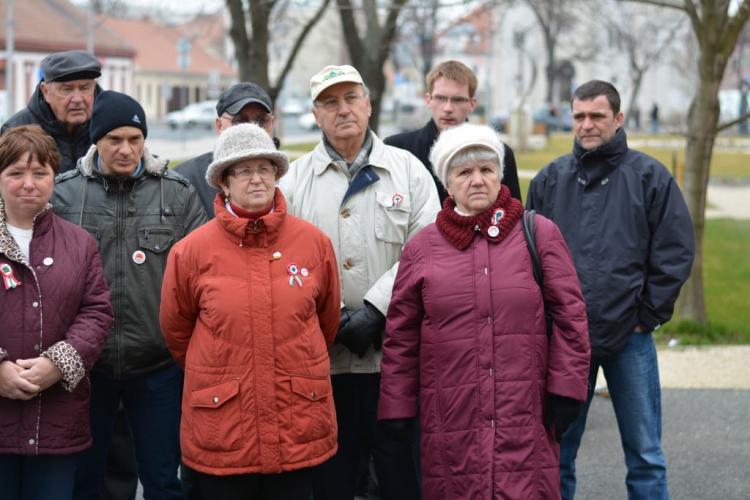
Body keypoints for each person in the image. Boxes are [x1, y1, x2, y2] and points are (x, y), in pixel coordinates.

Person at [377, 123, 590, 499]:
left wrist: (567, 388)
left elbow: (571, 316)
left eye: (487, 170)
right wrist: (397, 404)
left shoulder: (539, 234)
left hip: (526, 415)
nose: (477, 180)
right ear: (447, 181)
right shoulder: (422, 248)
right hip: (451, 417)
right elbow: (401, 337)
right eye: (464, 172)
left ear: (500, 174)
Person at [526, 80, 695, 500]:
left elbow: (674, 250)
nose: (587, 124)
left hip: (630, 341)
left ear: (618, 119)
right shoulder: (549, 180)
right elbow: (526, 256)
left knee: (645, 455)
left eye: (597, 116)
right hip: (567, 342)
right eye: (579, 116)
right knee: (557, 454)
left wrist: (647, 317)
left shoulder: (649, 176)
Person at [279, 64, 440, 500]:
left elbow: (426, 250)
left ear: (369, 105)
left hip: (396, 362)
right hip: (323, 365)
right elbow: (284, 264)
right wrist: (332, 317)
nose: (343, 109)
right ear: (315, 114)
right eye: (330, 102)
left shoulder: (409, 172)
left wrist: (376, 310)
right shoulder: (291, 182)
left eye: (351, 98)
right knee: (331, 482)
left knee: (400, 479)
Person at [159, 123, 341, 499]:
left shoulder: (314, 243)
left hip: (296, 421)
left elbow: (326, 324)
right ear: (224, 182)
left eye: (265, 168)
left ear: (277, 175)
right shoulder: (191, 252)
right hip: (223, 426)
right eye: (243, 170)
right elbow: (177, 334)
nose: (256, 179)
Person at [50, 90, 208, 500]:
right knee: (83, 480)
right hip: (86, 368)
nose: (125, 149)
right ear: (96, 140)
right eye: (114, 139)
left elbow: (201, 277)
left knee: (162, 480)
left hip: (157, 366)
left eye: (134, 139)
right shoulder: (64, 195)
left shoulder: (176, 194)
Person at [0, 125, 114, 500]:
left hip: (56, 416)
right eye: (16, 172)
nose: (28, 184)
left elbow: (97, 312)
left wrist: (59, 362)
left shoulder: (78, 243)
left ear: (55, 175)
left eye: (40, 172)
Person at [385, 60, 521, 203]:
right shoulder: (397, 149)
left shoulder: (498, 153)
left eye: (457, 99)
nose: (448, 108)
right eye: (441, 98)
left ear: (472, 104)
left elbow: (513, 216)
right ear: (428, 100)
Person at [174, 82, 279, 218]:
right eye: (240, 121)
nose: (252, 129)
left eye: (261, 120)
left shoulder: (292, 178)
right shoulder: (185, 180)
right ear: (219, 126)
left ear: (272, 124)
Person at [1, 50, 103, 174]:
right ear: (46, 92)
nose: (77, 99)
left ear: (94, 87)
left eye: (85, 88)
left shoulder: (109, 127)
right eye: (66, 89)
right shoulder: (17, 130)